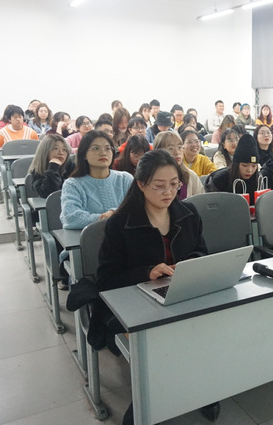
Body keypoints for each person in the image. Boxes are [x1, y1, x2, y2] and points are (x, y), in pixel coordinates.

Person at [95, 148, 211, 425]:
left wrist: (190, 264)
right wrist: (146, 272)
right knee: (164, 340)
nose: (168, 192)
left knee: (214, 325)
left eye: (174, 184)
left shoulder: (188, 213)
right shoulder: (121, 224)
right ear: (141, 184)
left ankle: (206, 388)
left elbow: (202, 251)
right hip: (136, 303)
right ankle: (148, 404)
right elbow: (106, 279)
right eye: (159, 186)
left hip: (181, 293)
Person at [60, 130, 133, 230]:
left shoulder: (125, 179)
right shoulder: (73, 184)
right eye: (96, 148)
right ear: (84, 154)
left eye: (108, 148)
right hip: (91, 237)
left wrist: (114, 213)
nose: (103, 153)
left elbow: (140, 209)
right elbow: (70, 217)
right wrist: (104, 218)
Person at [205, 134, 261, 204]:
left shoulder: (259, 180)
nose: (249, 170)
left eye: (254, 166)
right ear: (236, 165)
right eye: (245, 165)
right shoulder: (219, 180)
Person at [153, 131, 204, 200]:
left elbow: (201, 201)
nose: (177, 152)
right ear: (158, 151)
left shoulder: (190, 175)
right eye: (171, 149)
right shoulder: (151, 177)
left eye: (180, 147)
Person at [28, 134, 74, 198]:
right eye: (55, 149)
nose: (61, 153)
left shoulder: (70, 165)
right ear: (45, 151)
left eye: (64, 149)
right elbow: (50, 194)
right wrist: (53, 168)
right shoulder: (37, 172)